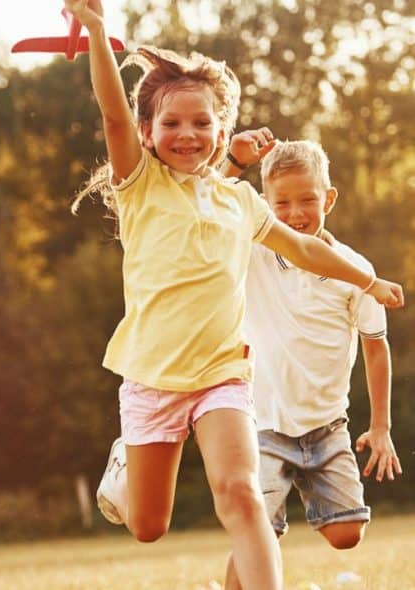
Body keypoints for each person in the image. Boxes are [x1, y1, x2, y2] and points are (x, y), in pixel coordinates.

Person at [65, 2, 403, 588]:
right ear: (149, 134)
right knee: (148, 525)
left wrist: (365, 279)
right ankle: (126, 461)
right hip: (152, 378)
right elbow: (113, 117)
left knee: (244, 497)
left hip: (223, 375)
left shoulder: (240, 201)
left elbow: (306, 250)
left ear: (223, 132)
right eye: (171, 124)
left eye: (202, 123)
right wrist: (97, 33)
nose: (187, 134)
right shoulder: (140, 188)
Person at [222, 138, 403, 590]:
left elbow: (375, 348)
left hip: (326, 428)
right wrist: (233, 161)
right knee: (256, 528)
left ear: (329, 198)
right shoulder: (254, 253)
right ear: (264, 203)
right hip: (262, 423)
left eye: (307, 199)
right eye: (281, 202)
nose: (296, 212)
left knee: (346, 534)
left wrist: (380, 426)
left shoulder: (356, 270)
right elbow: (210, 201)